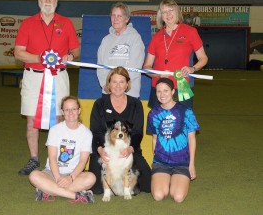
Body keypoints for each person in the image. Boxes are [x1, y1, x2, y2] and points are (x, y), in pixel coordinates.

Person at [14, 0, 80, 175]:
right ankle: (34, 159)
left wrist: (70, 56)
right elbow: (18, 53)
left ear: (57, 1)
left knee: (60, 119)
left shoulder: (66, 23)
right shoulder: (27, 23)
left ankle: (58, 160)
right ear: (38, 0)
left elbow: (76, 50)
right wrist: (40, 58)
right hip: (33, 78)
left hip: (59, 76)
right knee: (31, 120)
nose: (48, 1)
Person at [89, 66, 151, 194]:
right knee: (97, 189)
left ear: (127, 84)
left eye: (122, 82)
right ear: (109, 83)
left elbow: (138, 132)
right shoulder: (99, 104)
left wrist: (131, 148)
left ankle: (128, 180)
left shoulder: (136, 104)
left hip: (129, 151)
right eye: (114, 82)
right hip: (104, 152)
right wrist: (100, 150)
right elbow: (95, 132)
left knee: (149, 186)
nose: (118, 86)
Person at [29, 96, 96, 203]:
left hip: (74, 175)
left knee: (91, 178)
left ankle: (48, 190)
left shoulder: (86, 133)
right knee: (33, 176)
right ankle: (76, 196)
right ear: (62, 112)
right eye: (67, 110)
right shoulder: (55, 130)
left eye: (74, 109)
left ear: (79, 111)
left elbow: (83, 160)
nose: (70, 113)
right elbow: (52, 158)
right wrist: (58, 178)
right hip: (52, 173)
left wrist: (71, 178)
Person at [143, 0, 208, 109]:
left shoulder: (190, 31)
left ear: (177, 12)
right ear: (161, 16)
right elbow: (146, 66)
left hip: (182, 86)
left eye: (171, 10)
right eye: (164, 12)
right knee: (159, 123)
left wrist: (192, 69)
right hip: (159, 87)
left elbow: (203, 58)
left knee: (183, 122)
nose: (168, 15)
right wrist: (158, 75)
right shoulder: (157, 37)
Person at [146, 78, 199, 203]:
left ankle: (176, 180)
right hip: (161, 162)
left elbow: (191, 139)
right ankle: (163, 179)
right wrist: (155, 161)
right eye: (159, 91)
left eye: (165, 91)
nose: (162, 94)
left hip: (181, 163)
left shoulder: (185, 111)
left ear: (173, 91)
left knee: (178, 197)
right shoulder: (153, 113)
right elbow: (154, 138)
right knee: (159, 195)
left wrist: (191, 165)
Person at [97, 2, 145, 98]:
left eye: (119, 16)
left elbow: (135, 67)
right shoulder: (106, 40)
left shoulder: (135, 38)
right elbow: (100, 66)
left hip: (129, 92)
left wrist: (120, 86)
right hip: (108, 92)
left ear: (126, 19)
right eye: (113, 15)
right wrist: (105, 85)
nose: (115, 19)